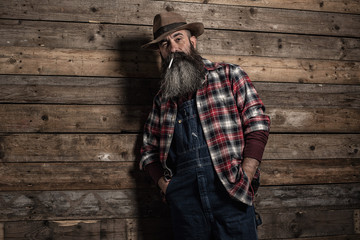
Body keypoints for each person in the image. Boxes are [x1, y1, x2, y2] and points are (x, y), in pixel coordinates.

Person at [139, 12, 270, 240]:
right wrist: (165, 185)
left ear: (193, 41)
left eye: (178, 38)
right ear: (160, 52)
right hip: (186, 207)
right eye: (164, 43)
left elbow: (257, 123)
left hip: (231, 194)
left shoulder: (230, 75)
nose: (173, 48)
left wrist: (247, 173)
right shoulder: (162, 100)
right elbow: (148, 151)